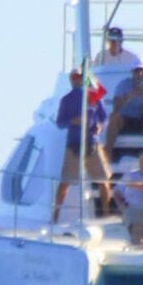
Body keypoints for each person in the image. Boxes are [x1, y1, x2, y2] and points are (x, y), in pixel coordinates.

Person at [52, 69, 112, 223]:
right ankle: (55, 215)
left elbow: (103, 118)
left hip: (92, 143)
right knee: (65, 181)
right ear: (71, 80)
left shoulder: (93, 96)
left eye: (80, 76)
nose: (77, 79)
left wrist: (99, 126)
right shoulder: (66, 100)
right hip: (73, 144)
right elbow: (60, 123)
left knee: (103, 180)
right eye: (74, 77)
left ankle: (106, 214)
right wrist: (72, 121)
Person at [104, 63, 143, 160]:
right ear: (132, 72)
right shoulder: (123, 85)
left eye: (142, 71)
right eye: (137, 71)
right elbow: (115, 107)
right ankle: (108, 154)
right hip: (126, 119)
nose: (139, 74)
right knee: (114, 117)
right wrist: (129, 96)